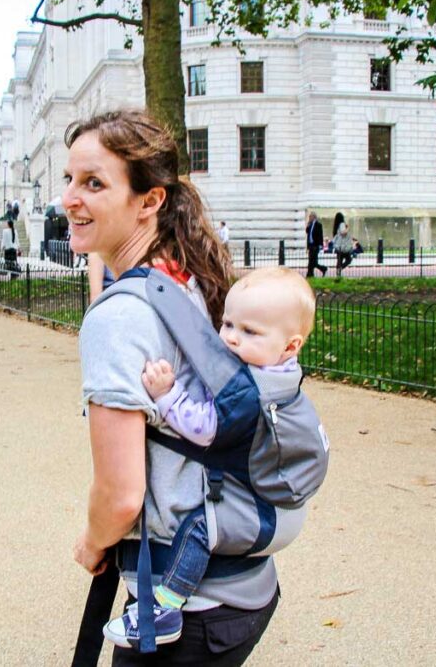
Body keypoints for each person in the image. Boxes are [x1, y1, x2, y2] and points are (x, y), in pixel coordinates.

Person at [65, 110, 279, 665]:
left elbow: (120, 496)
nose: (70, 199)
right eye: (68, 180)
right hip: (244, 582)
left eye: (93, 183)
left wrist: (92, 543)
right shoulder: (187, 278)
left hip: (183, 606)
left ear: (150, 200)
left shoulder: (117, 319)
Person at [101, 267, 316, 649]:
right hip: (267, 494)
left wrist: (167, 395)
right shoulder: (280, 372)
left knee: (199, 531)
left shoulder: (251, 391)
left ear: (290, 345)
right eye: (228, 324)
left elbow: (203, 427)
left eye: (249, 332)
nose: (231, 338)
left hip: (249, 508)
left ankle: (166, 607)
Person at [305, 212, 328, 277]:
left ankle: (310, 274)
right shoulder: (310, 225)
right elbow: (307, 231)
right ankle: (321, 269)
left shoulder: (318, 225)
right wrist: (308, 224)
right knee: (312, 261)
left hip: (315, 245)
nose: (309, 218)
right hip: (310, 245)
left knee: (312, 262)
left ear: (314, 217)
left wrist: (320, 245)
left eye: (310, 217)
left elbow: (320, 235)